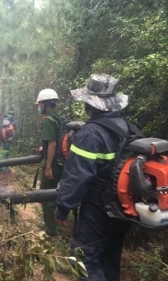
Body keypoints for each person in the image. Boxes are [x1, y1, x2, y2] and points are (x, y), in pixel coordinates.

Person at [54, 74, 131, 281]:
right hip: (124, 211)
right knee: (109, 258)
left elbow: (77, 175)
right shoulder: (129, 129)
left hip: (98, 211)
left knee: (84, 259)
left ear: (91, 104)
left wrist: (63, 207)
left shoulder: (91, 133)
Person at [35, 88, 64, 236]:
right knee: (51, 194)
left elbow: (53, 144)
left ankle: (50, 231)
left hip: (52, 164)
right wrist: (43, 147)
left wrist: (48, 167)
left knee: (46, 196)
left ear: (46, 104)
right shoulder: (59, 119)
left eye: (40, 104)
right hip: (60, 162)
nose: (40, 107)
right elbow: (54, 142)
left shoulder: (48, 120)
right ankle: (50, 223)